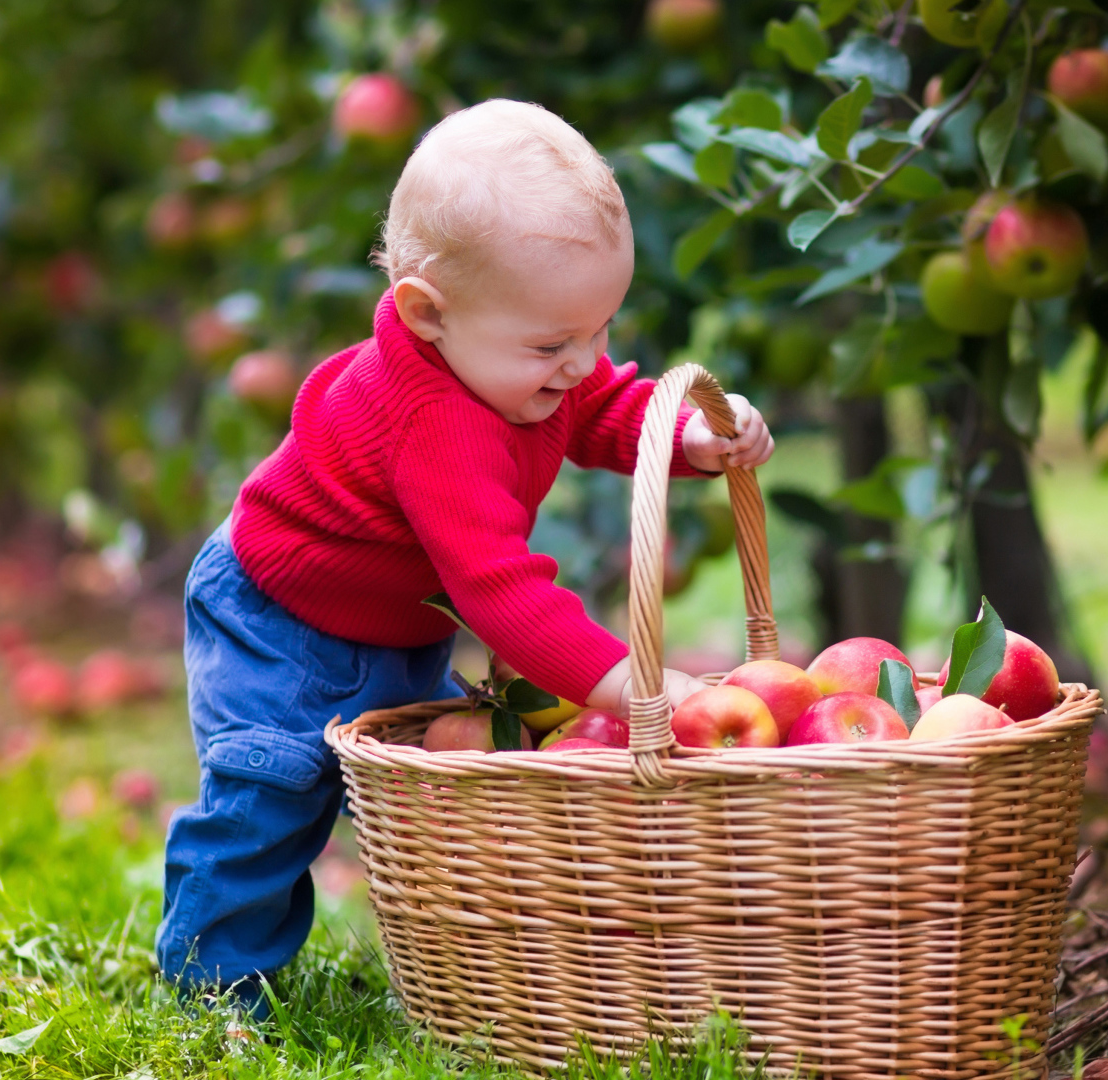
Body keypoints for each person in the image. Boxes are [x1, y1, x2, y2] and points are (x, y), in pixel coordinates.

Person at [156, 99, 775, 1014]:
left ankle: (451, 963)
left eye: (601, 330)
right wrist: (632, 683)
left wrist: (685, 439)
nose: (584, 361)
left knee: (412, 794)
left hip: (388, 612)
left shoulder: (516, 359)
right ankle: (211, 986)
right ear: (428, 315)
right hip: (281, 617)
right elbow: (498, 589)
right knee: (272, 792)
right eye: (555, 344)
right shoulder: (433, 422)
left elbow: (596, 408)